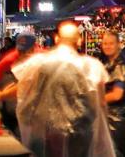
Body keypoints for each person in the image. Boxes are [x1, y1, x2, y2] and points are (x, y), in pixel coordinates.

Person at [13, 20, 114, 157]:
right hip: (81, 133)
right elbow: (101, 104)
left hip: (49, 132)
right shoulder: (92, 67)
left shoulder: (39, 63)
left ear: (56, 38)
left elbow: (25, 92)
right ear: (79, 41)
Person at [0, 32, 37, 137]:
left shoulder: (42, 59)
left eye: (26, 51)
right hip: (16, 110)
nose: (22, 54)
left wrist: (1, 95)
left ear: (34, 48)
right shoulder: (9, 59)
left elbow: (26, 85)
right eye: (20, 50)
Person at [100, 31, 125, 157]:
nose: (107, 46)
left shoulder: (121, 66)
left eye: (111, 43)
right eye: (104, 43)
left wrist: (93, 100)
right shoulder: (109, 63)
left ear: (119, 44)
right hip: (110, 118)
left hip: (118, 120)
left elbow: (117, 94)